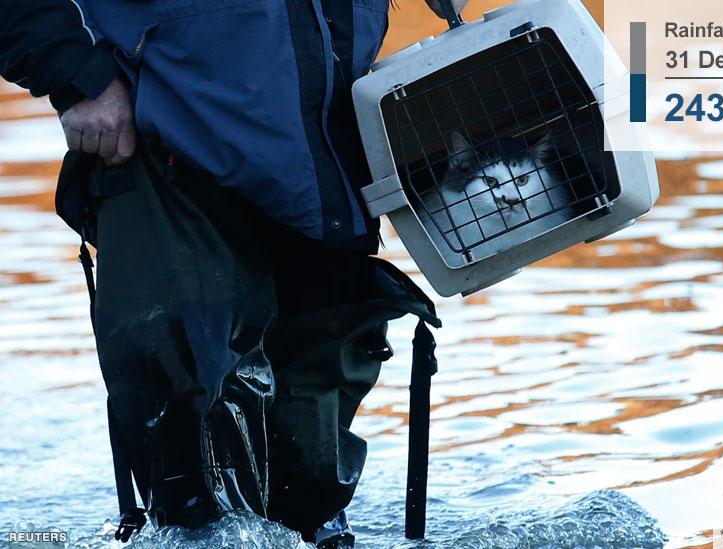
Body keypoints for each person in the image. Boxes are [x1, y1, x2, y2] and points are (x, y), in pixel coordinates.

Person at [0, 0, 465, 546]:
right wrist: (76, 73)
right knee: (183, 422)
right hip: (168, 138)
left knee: (311, 460)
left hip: (329, 142)